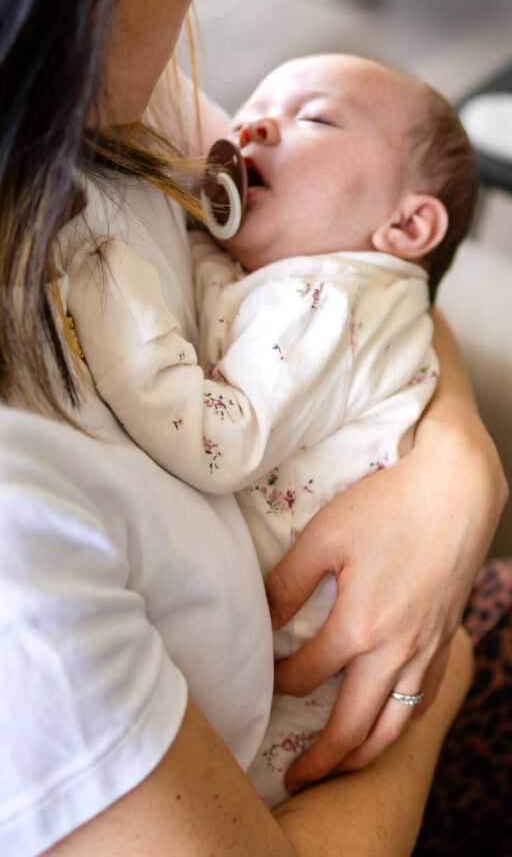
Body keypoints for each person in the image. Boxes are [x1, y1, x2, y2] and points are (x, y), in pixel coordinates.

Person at [3, 0, 512, 856]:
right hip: (325, 768)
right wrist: (438, 683)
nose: (246, 132)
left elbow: (349, 274)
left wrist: (454, 471)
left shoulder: (103, 85)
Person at [65, 51, 478, 807]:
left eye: (315, 117)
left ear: (408, 222)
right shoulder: (294, 279)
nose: (251, 124)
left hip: (318, 679)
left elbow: (221, 442)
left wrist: (102, 278)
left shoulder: (334, 296)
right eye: (256, 102)